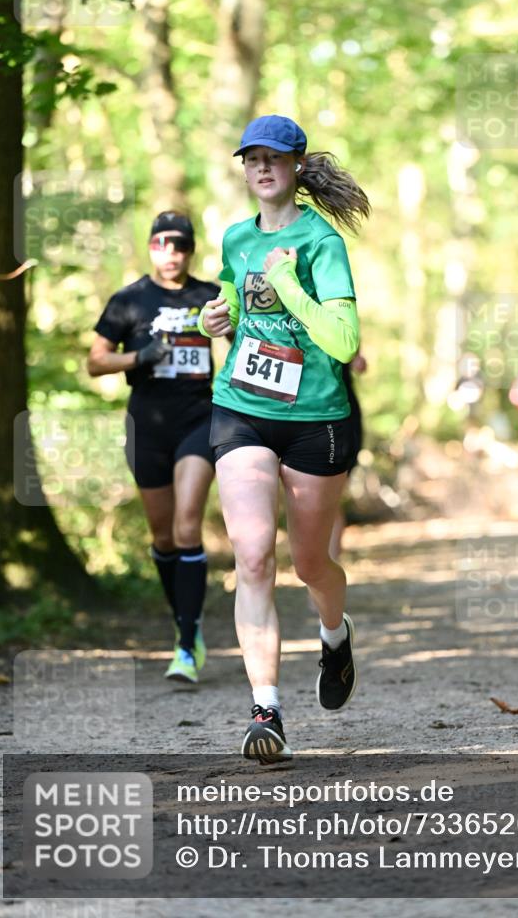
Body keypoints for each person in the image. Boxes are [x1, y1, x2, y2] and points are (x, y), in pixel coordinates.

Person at [199, 115, 370, 763]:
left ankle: (334, 635)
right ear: (243, 168)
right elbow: (234, 308)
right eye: (251, 158)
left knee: (308, 564)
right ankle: (264, 708)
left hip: (315, 417)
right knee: (250, 556)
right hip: (241, 407)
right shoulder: (237, 238)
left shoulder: (321, 242)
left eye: (274, 157)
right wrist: (214, 315)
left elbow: (342, 341)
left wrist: (291, 283)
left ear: (297, 166)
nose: (262, 167)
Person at [87, 211, 220, 684]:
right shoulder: (129, 300)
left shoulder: (210, 296)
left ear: (190, 250)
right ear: (150, 248)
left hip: (199, 422)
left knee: (187, 526)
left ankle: (186, 647)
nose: (172, 254)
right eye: (163, 244)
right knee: (163, 539)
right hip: (148, 425)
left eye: (181, 245)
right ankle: (186, 621)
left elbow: (242, 340)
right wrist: (138, 357)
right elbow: (95, 362)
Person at [328, 351, 367, 561]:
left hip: (341, 413)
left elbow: (358, 361)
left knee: (332, 496)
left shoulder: (342, 317)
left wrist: (356, 360)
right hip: (292, 413)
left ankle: (328, 568)